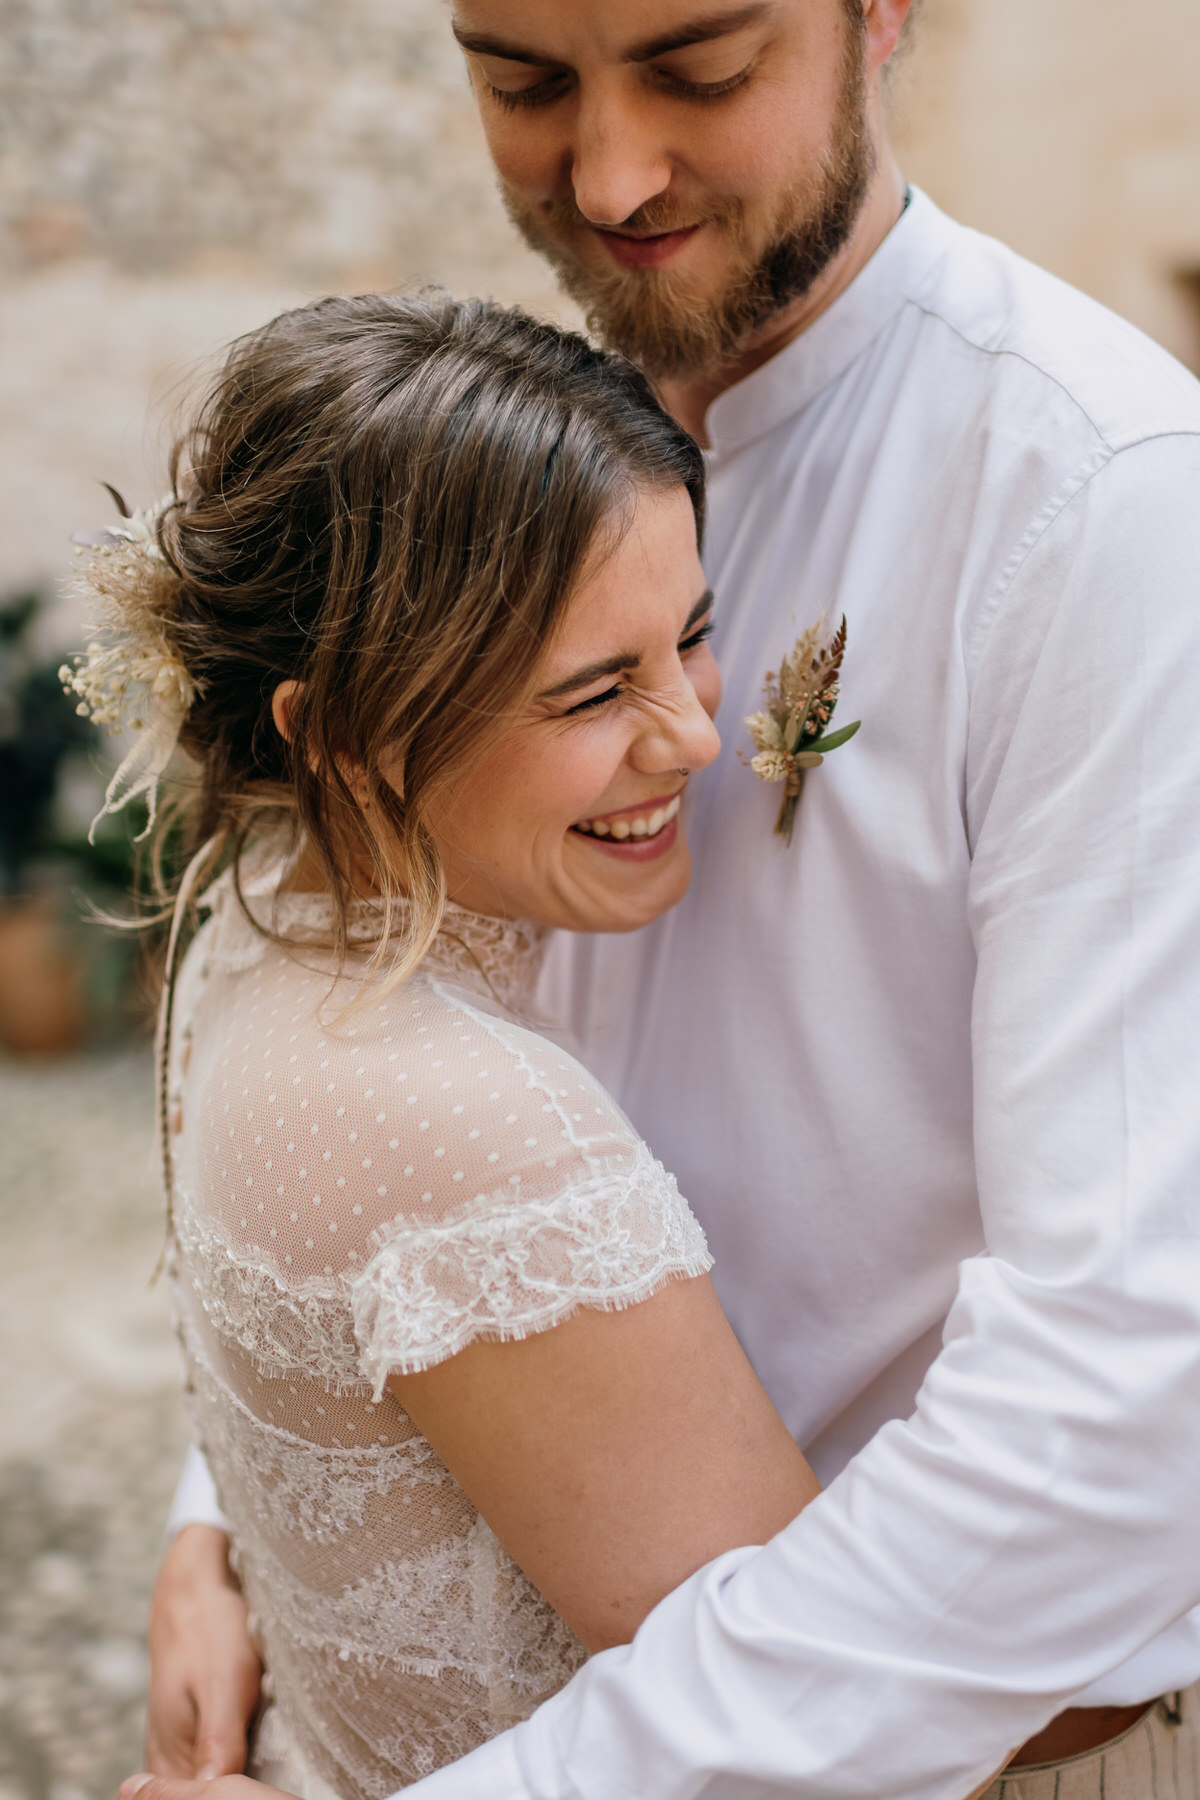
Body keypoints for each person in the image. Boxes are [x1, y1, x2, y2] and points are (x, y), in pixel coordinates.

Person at [129, 1, 1200, 1797]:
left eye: (700, 72)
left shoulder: (1103, 509)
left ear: (881, 16)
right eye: (523, 83)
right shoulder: (513, 437)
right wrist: (236, 1512)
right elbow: (385, 1004)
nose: (611, 176)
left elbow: (1131, 1387)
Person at [71, 291, 823, 1798]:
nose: (691, 735)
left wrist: (198, 1537)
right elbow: (807, 1713)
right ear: (344, 735)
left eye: (689, 637)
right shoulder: (456, 1114)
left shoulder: (256, 904)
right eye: (596, 691)